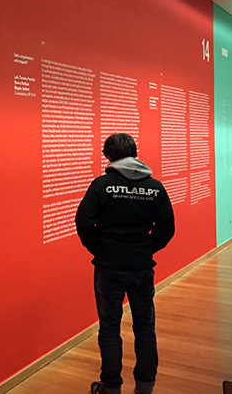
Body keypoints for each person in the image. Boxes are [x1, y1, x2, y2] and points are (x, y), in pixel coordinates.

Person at [76, 133, 175, 394]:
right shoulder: (155, 187)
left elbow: (83, 223)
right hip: (141, 266)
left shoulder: (101, 185)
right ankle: (145, 387)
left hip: (109, 267)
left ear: (108, 156)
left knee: (109, 327)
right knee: (145, 327)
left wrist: (100, 248)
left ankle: (110, 388)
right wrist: (146, 248)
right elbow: (167, 228)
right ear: (135, 152)